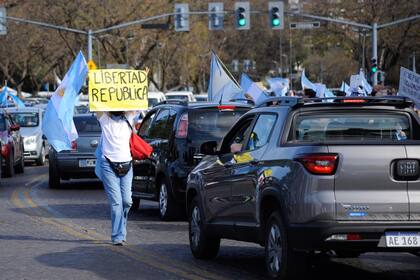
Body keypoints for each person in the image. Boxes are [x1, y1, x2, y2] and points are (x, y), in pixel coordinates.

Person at [96, 110, 136, 245]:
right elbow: (97, 104)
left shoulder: (128, 118)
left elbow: (136, 102)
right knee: (116, 203)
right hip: (108, 165)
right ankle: (118, 235)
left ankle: (121, 229)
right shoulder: (104, 119)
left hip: (127, 165)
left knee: (127, 201)